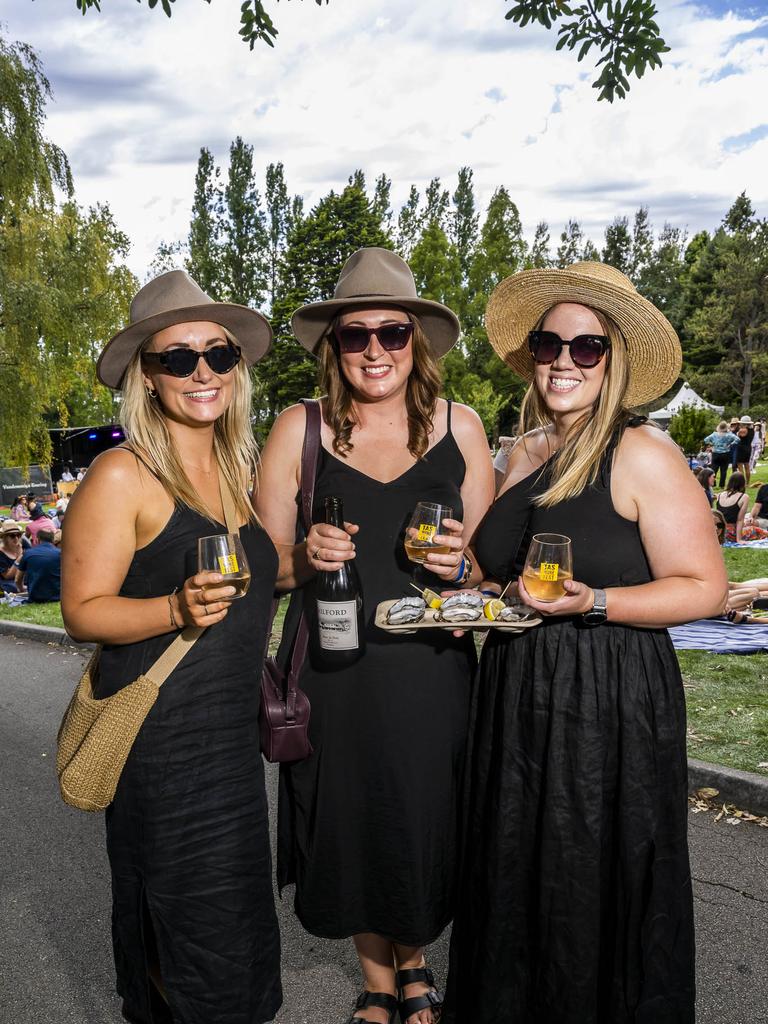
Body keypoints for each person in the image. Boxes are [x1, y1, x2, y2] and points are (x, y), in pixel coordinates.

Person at [445, 261, 728, 1023]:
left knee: (587, 870)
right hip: (515, 682)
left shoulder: (643, 455)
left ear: (614, 362)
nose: (565, 360)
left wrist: (595, 600)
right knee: (516, 864)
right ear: (532, 354)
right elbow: (502, 571)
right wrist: (464, 573)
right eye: (549, 344)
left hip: (607, 692)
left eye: (587, 347)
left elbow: (703, 586)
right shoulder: (524, 452)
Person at [255, 247, 494, 1024]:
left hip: (432, 667)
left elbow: (486, 573)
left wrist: (461, 566)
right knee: (349, 811)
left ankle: (418, 960)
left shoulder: (463, 427)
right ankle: (378, 978)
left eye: (392, 333)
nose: (374, 350)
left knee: (423, 810)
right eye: (355, 336)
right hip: (335, 665)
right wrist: (303, 554)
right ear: (334, 346)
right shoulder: (301, 427)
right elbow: (265, 563)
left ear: (415, 340)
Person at [60, 270, 282, 1024]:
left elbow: (250, 584)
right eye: (177, 358)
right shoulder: (122, 475)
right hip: (162, 748)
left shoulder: (237, 469)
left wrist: (300, 560)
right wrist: (172, 605)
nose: (202, 372)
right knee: (182, 933)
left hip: (229, 745)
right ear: (147, 378)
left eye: (218, 355)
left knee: (236, 933)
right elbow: (81, 612)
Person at [715, 471, 768, 543]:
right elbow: (740, 520)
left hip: (720, 532)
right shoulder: (744, 497)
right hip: (732, 534)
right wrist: (738, 539)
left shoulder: (719, 495)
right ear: (742, 483)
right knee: (758, 531)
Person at [16, 527, 60, 601]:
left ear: (37, 539)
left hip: (35, 597)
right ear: (53, 540)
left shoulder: (28, 553)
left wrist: (21, 589)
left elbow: (17, 579)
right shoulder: (60, 553)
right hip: (57, 596)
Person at [703, 420, 738, 487]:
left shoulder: (714, 434)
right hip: (725, 453)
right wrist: (731, 444)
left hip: (715, 453)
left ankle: (713, 483)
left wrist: (712, 444)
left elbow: (705, 440)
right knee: (724, 470)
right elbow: (737, 439)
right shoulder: (729, 435)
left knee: (714, 469)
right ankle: (722, 485)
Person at [0, 519, 24, 593]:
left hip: (23, 578)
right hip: (8, 582)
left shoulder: (23, 545)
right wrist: (19, 558)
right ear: (5, 538)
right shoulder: (1, 553)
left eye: (18, 535)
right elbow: (7, 576)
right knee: (13, 587)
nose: (16, 538)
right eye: (12, 535)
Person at [734, 414, 755, 483]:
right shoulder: (752, 430)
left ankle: (742, 482)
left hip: (741, 449)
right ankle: (747, 482)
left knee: (740, 466)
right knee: (747, 466)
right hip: (748, 448)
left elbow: (737, 435)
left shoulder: (743, 430)